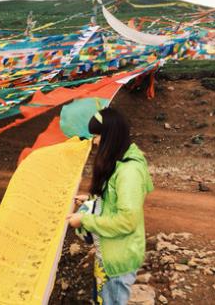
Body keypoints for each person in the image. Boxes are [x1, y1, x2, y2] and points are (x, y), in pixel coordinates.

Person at [66, 108, 154, 305]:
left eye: (97, 135)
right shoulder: (120, 162)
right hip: (109, 254)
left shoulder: (129, 172)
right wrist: (91, 200)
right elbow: (114, 201)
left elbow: (126, 221)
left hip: (118, 260)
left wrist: (84, 219)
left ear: (110, 136)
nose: (95, 141)